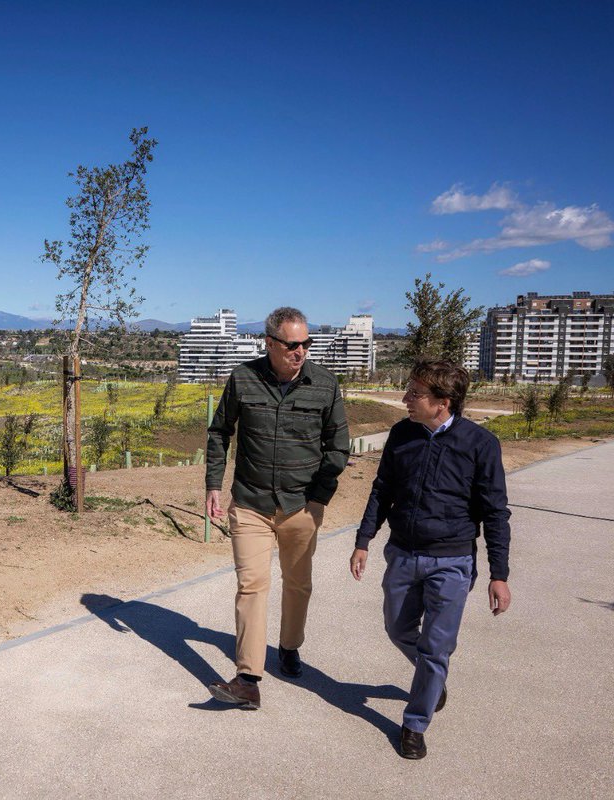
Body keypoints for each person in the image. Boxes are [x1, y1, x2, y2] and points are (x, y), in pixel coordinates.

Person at [350, 360, 511, 759]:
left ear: (443, 402)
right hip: (403, 554)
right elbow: (381, 489)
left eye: (414, 394)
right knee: (397, 628)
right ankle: (433, 678)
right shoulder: (402, 433)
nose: (405, 399)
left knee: (437, 647)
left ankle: (415, 723)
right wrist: (363, 539)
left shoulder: (480, 444)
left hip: (452, 561)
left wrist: (499, 574)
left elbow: (495, 512)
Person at [205, 306, 349, 709]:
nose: (300, 351)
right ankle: (248, 677)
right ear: (269, 343)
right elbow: (220, 433)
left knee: (298, 583)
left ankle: (289, 646)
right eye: (292, 344)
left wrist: (319, 497)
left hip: (302, 505)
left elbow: (338, 447)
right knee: (252, 586)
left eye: (306, 343)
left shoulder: (325, 384)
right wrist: (213, 484)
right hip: (250, 503)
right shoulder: (243, 379)